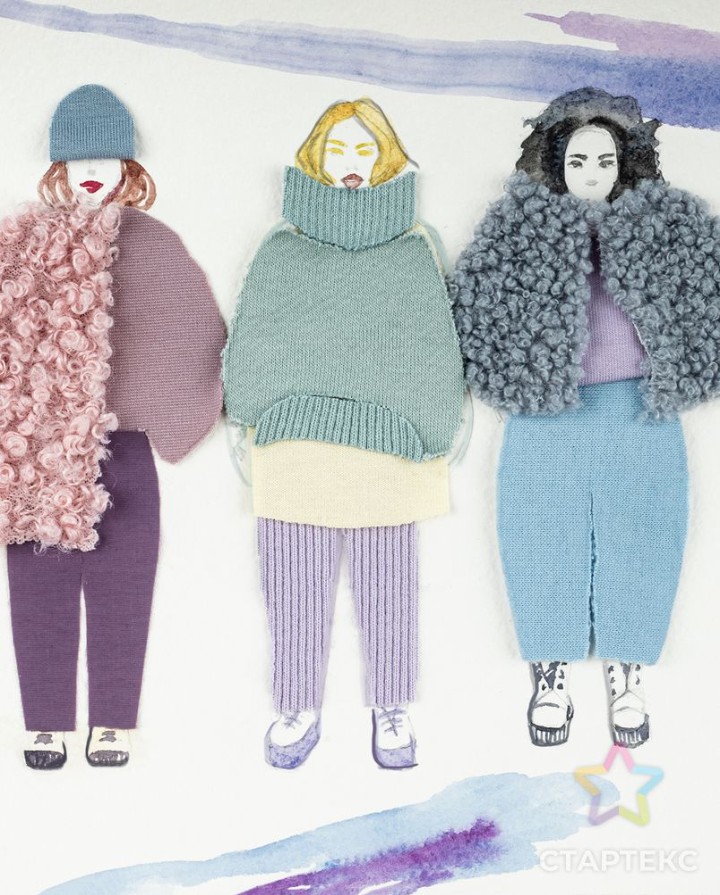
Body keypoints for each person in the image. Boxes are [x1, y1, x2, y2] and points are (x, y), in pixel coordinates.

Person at [451, 86, 720, 747]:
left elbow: (705, 294)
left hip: (641, 405)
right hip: (546, 408)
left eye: (605, 160)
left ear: (627, 161)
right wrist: (503, 369)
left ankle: (628, 672)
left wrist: (688, 361)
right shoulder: (517, 230)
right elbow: (475, 303)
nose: (593, 173)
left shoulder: (671, 226)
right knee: (539, 533)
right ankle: (550, 674)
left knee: (645, 533)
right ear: (555, 161)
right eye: (578, 161)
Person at [223, 97, 464, 769]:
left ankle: (392, 704)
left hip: (393, 443)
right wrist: (251, 410)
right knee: (291, 577)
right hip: (293, 440)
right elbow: (257, 332)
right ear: (314, 160)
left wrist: (433, 424)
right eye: (338, 150)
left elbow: (431, 343)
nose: (352, 164)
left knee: (390, 582)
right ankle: (297, 703)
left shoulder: (414, 248)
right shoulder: (282, 246)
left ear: (386, 159)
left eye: (366, 150)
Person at [1, 84, 226, 769]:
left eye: (105, 158)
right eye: (77, 160)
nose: (91, 171)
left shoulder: (153, 243)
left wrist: (176, 416)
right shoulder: (25, 244)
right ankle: (46, 723)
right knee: (37, 584)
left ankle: (112, 723)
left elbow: (192, 327)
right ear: (57, 170)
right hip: (38, 444)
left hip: (124, 441)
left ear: (129, 167)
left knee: (124, 581)